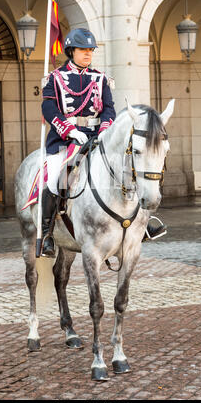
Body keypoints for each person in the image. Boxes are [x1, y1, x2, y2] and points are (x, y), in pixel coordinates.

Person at [40, 27, 166, 257]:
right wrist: (68, 130)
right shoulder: (55, 79)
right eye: (83, 50)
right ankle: (47, 234)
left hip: (97, 137)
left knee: (128, 169)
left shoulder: (100, 79)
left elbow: (108, 108)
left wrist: (106, 128)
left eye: (91, 50)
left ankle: (142, 224)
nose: (88, 54)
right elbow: (48, 109)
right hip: (64, 140)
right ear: (71, 51)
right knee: (54, 179)